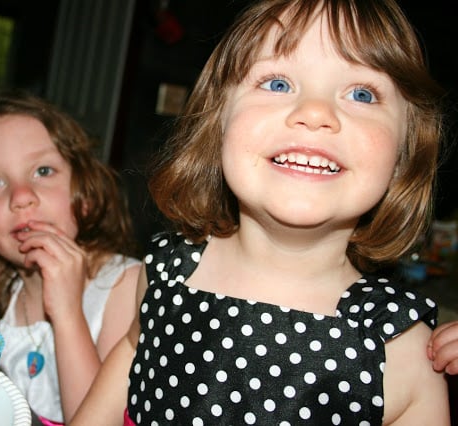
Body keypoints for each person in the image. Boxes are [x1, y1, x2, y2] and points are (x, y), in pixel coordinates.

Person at [71, 0, 453, 424]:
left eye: (361, 94)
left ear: (404, 153)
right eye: (277, 83)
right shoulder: (165, 271)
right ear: (217, 122)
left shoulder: (402, 347)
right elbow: (129, 356)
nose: (315, 114)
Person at [0, 90, 141, 424]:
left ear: (85, 197)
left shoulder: (125, 286)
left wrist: (67, 313)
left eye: (43, 171)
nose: (21, 197)